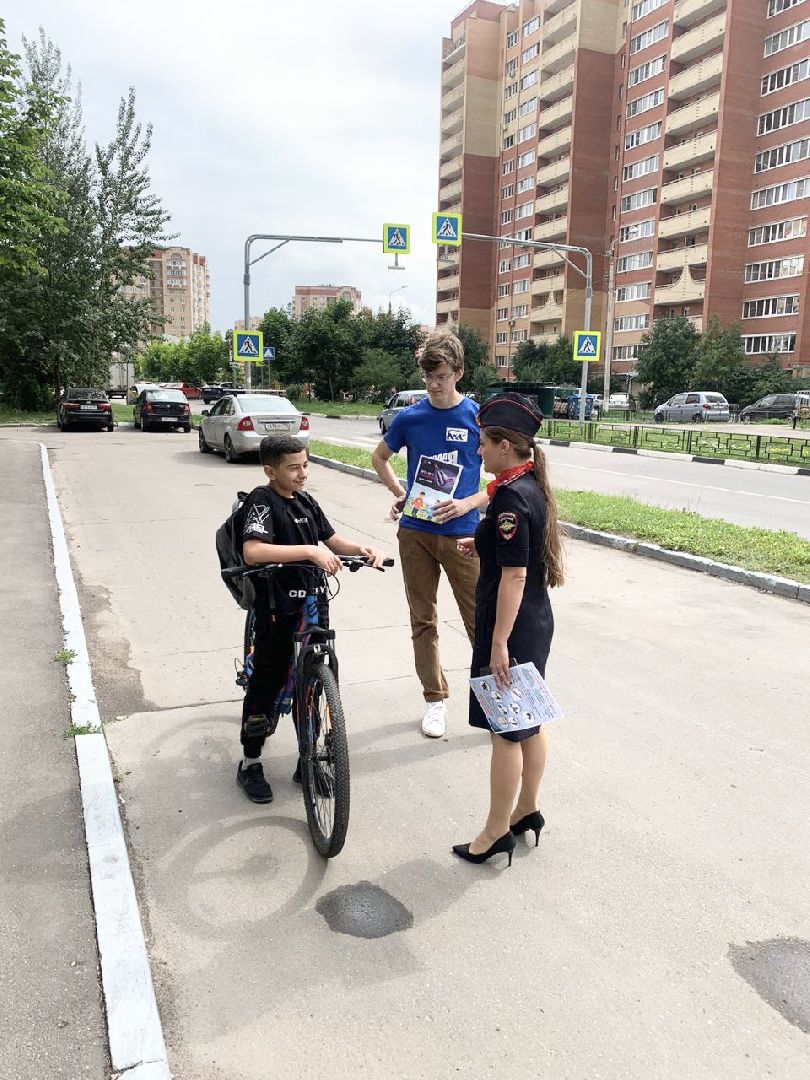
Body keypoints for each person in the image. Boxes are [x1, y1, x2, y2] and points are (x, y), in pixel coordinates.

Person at [237, 435, 385, 803]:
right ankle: (250, 762)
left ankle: (308, 760)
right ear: (271, 470)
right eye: (293, 467)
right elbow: (253, 551)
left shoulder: (306, 502)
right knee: (267, 683)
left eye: (305, 464)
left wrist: (364, 550)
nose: (303, 473)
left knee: (316, 681)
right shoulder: (262, 500)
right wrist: (308, 551)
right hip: (275, 609)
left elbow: (333, 541)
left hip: (313, 606)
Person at [452, 393, 565, 867]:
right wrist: (480, 547)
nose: (478, 452)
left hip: (512, 629)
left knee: (506, 735)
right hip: (535, 621)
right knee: (528, 725)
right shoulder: (525, 486)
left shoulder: (511, 499)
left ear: (503, 445)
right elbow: (514, 559)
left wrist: (498, 643)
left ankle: (495, 832)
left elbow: (515, 576)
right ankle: (526, 810)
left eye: (482, 443)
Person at [371, 331, 487, 739]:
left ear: (458, 372)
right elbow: (379, 458)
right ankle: (435, 700)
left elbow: (501, 479)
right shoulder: (410, 418)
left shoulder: (477, 417)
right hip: (416, 533)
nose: (433, 384)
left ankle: (495, 703)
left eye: (440, 376)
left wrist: (467, 504)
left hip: (462, 535)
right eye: (427, 376)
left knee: (480, 621)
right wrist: (400, 493)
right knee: (423, 620)